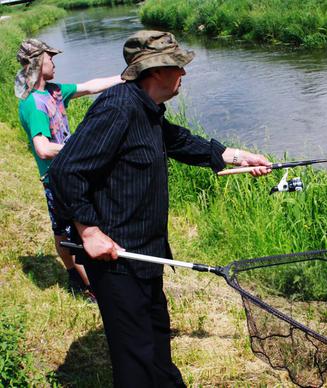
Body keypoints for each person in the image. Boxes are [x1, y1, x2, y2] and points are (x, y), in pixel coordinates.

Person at [48, 30, 272, 387]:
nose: (183, 74)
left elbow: (179, 140)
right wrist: (89, 231)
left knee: (156, 342)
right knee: (135, 360)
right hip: (116, 259)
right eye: (178, 67)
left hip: (146, 254)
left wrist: (237, 156)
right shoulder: (117, 108)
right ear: (155, 71)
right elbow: (65, 172)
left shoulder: (146, 109)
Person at [15, 38, 124, 299]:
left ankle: (81, 276)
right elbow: (42, 148)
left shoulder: (54, 91)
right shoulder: (34, 104)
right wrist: (81, 148)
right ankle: (85, 284)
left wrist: (124, 78)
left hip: (70, 171)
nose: (54, 62)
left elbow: (89, 87)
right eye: (50, 57)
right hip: (55, 177)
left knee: (67, 228)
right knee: (66, 232)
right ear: (38, 61)